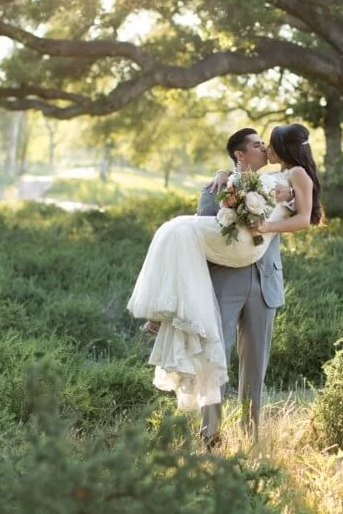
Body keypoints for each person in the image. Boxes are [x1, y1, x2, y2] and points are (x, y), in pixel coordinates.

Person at [126, 123, 322, 420]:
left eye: (267, 143)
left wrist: (287, 199)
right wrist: (224, 175)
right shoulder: (217, 187)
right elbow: (208, 232)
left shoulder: (283, 179)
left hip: (265, 281)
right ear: (240, 154)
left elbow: (298, 206)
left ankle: (250, 433)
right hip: (226, 281)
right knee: (214, 357)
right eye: (259, 145)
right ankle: (210, 431)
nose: (265, 148)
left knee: (256, 365)